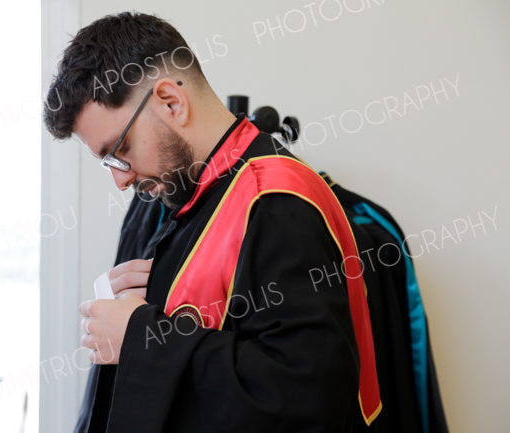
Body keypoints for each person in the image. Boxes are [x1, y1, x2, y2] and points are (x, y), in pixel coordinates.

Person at [44, 11, 381, 433]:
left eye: (121, 149)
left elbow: (305, 396)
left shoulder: (274, 201)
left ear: (171, 102)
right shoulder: (205, 193)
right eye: (108, 162)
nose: (120, 179)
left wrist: (140, 338)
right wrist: (159, 294)